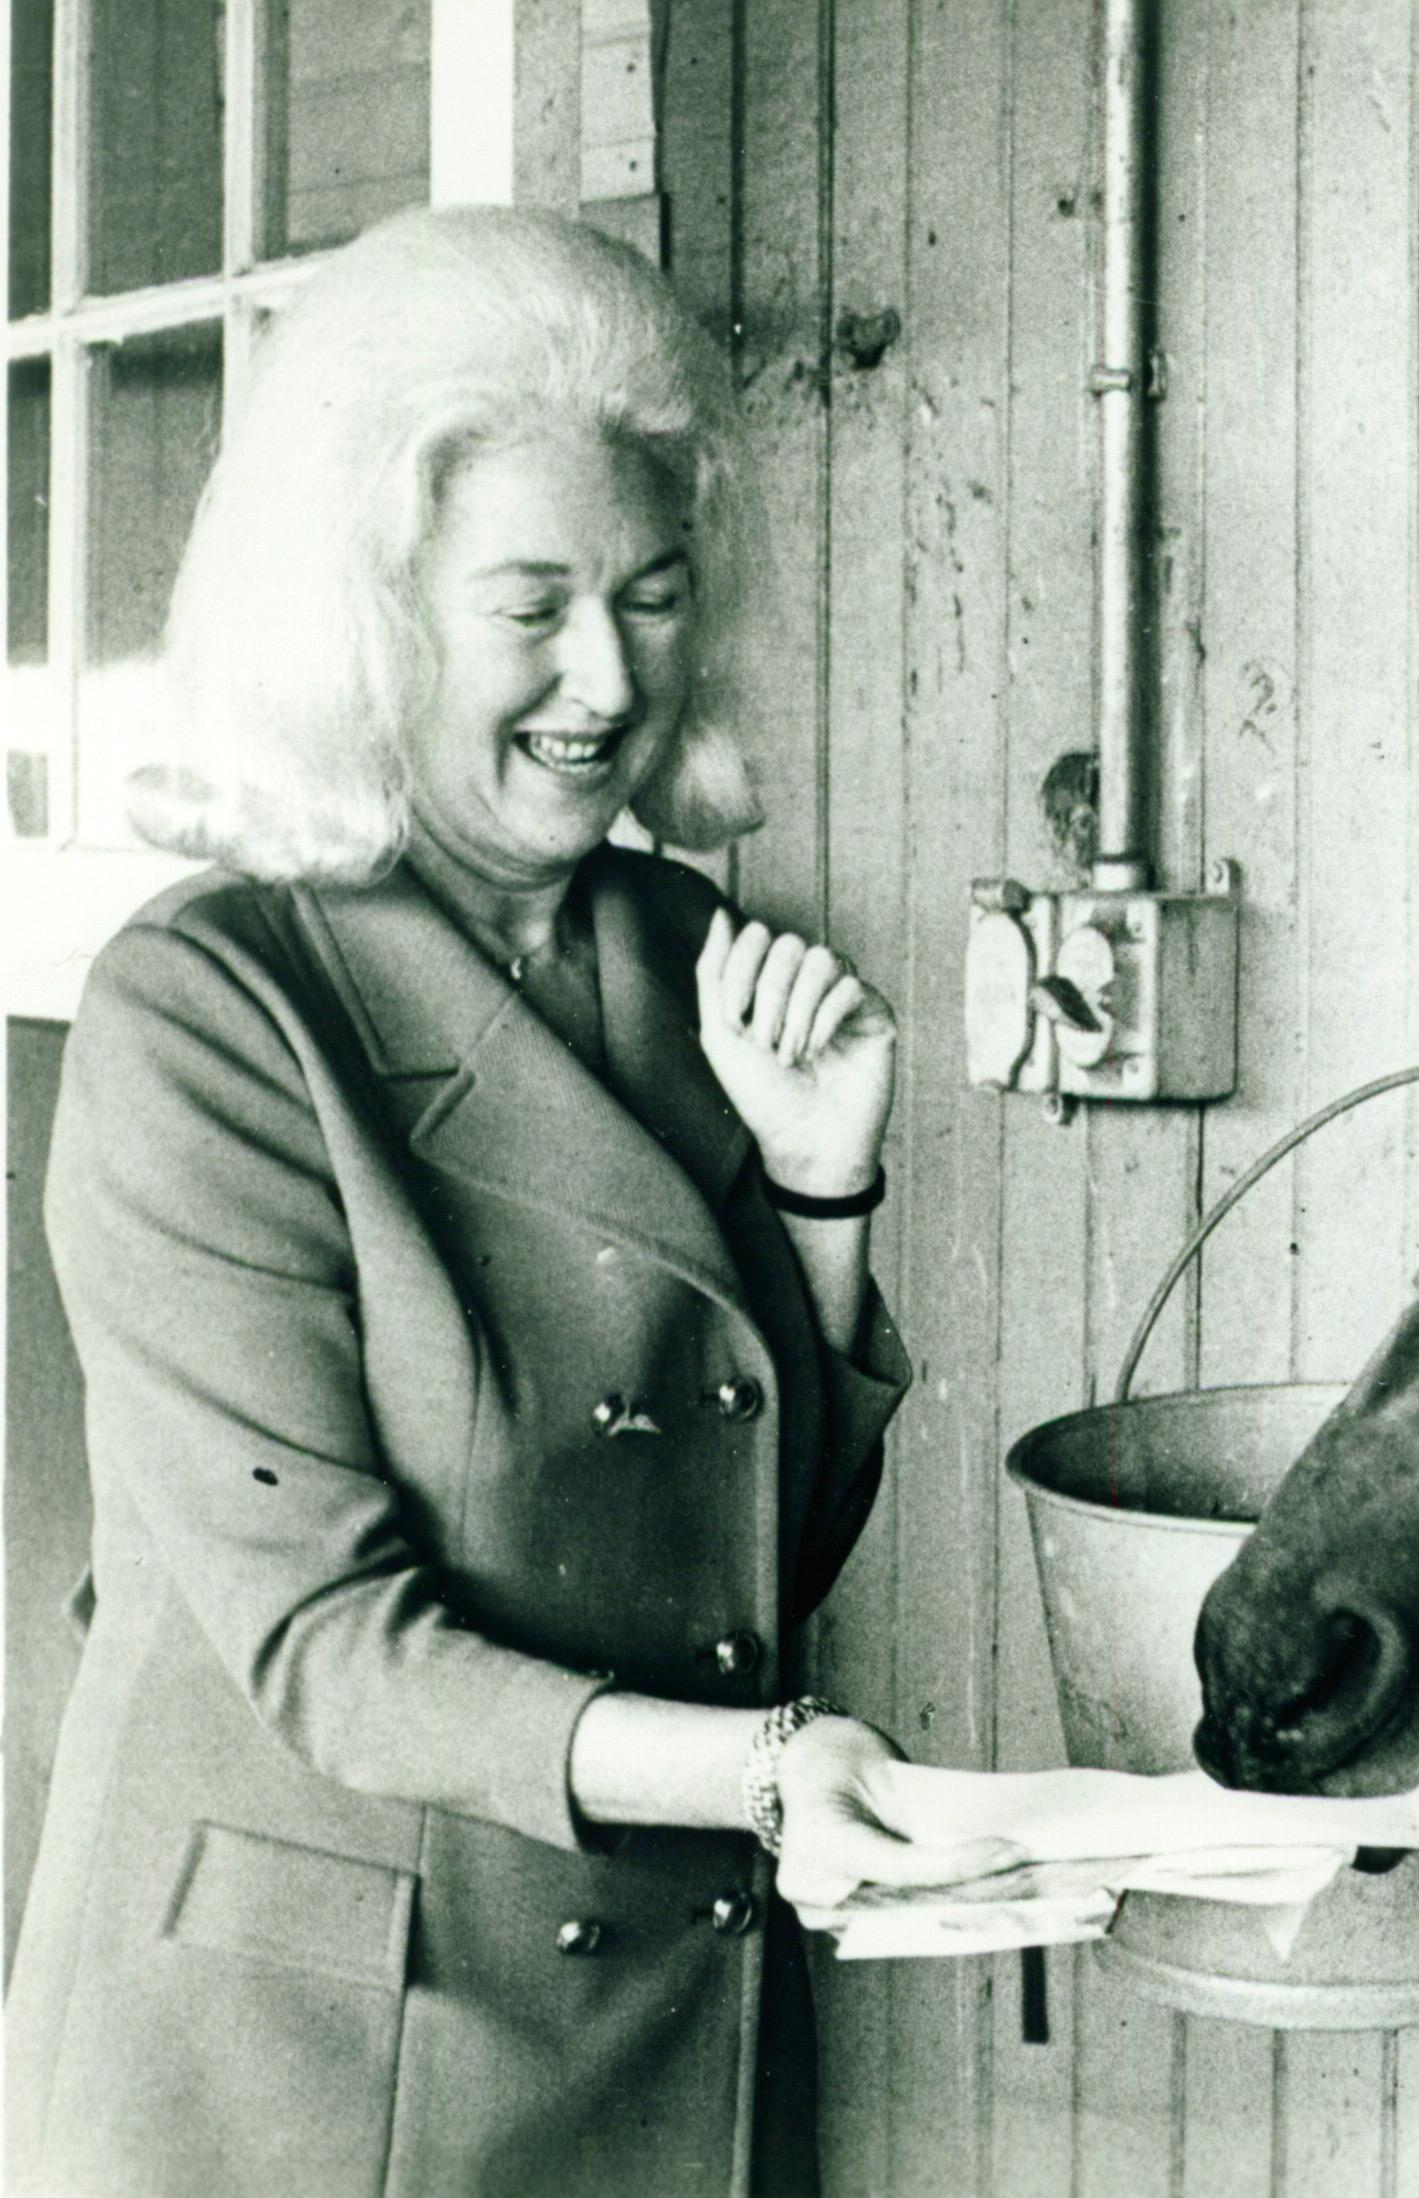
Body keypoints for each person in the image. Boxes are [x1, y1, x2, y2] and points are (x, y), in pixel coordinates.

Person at [9, 207, 1002, 2198]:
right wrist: (757, 1771)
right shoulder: (212, 1013)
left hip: (650, 2014)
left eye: (651, 596)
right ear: (373, 614)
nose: (607, 675)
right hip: (313, 2067)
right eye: (529, 605)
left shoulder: (685, 953)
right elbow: (333, 1648)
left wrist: (825, 1183)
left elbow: (751, 1573)